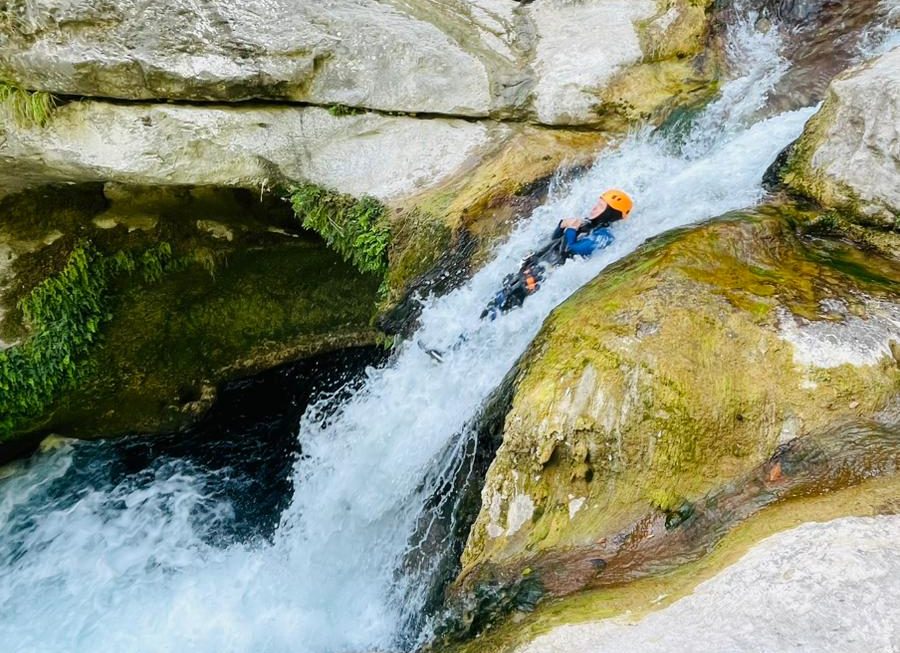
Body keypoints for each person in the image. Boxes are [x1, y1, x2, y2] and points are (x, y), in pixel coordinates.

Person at [481, 189, 633, 319]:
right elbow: (555, 240)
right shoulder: (587, 225)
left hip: (539, 278)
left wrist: (571, 229)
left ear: (609, 213)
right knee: (493, 305)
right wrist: (561, 225)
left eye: (600, 207)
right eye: (597, 204)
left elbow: (570, 250)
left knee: (500, 310)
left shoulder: (603, 237)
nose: (594, 208)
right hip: (532, 268)